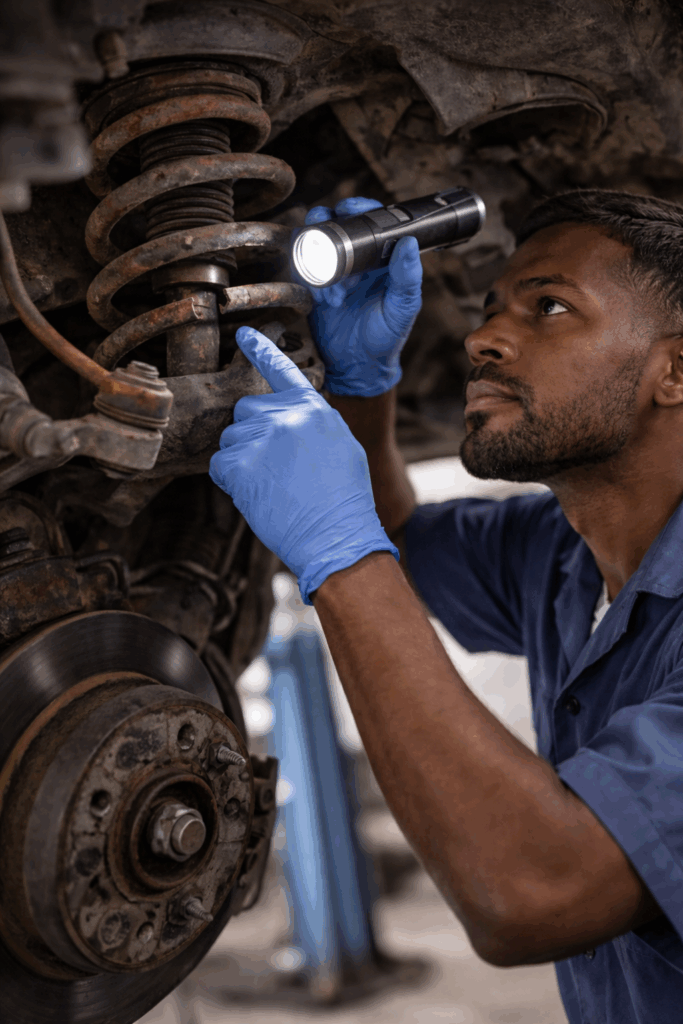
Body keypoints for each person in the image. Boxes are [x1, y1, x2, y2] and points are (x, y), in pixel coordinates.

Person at [209, 190, 683, 1024]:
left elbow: (533, 891)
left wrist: (338, 551)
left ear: (674, 372)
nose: (480, 339)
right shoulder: (561, 552)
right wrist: (362, 384)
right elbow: (394, 534)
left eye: (548, 307)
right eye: (490, 308)